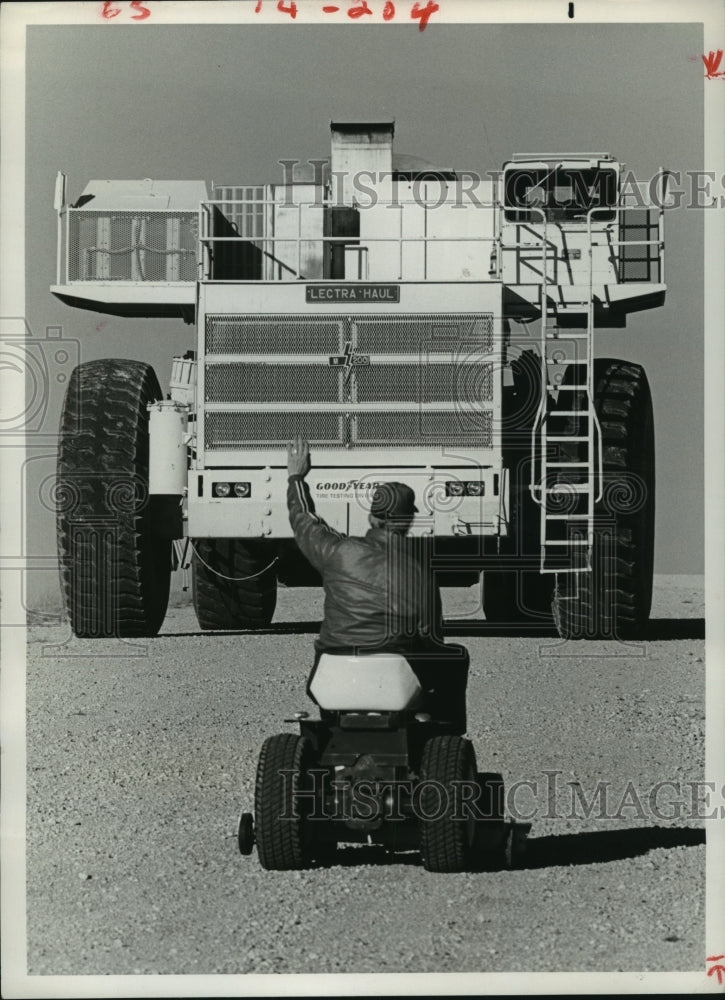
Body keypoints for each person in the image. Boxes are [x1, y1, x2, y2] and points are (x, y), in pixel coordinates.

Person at [286, 435, 469, 732]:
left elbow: (303, 520)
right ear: (409, 521)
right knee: (454, 655)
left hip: (332, 666)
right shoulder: (420, 571)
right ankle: (444, 735)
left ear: (371, 517)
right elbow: (431, 637)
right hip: (395, 672)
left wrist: (296, 477)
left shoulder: (338, 552)